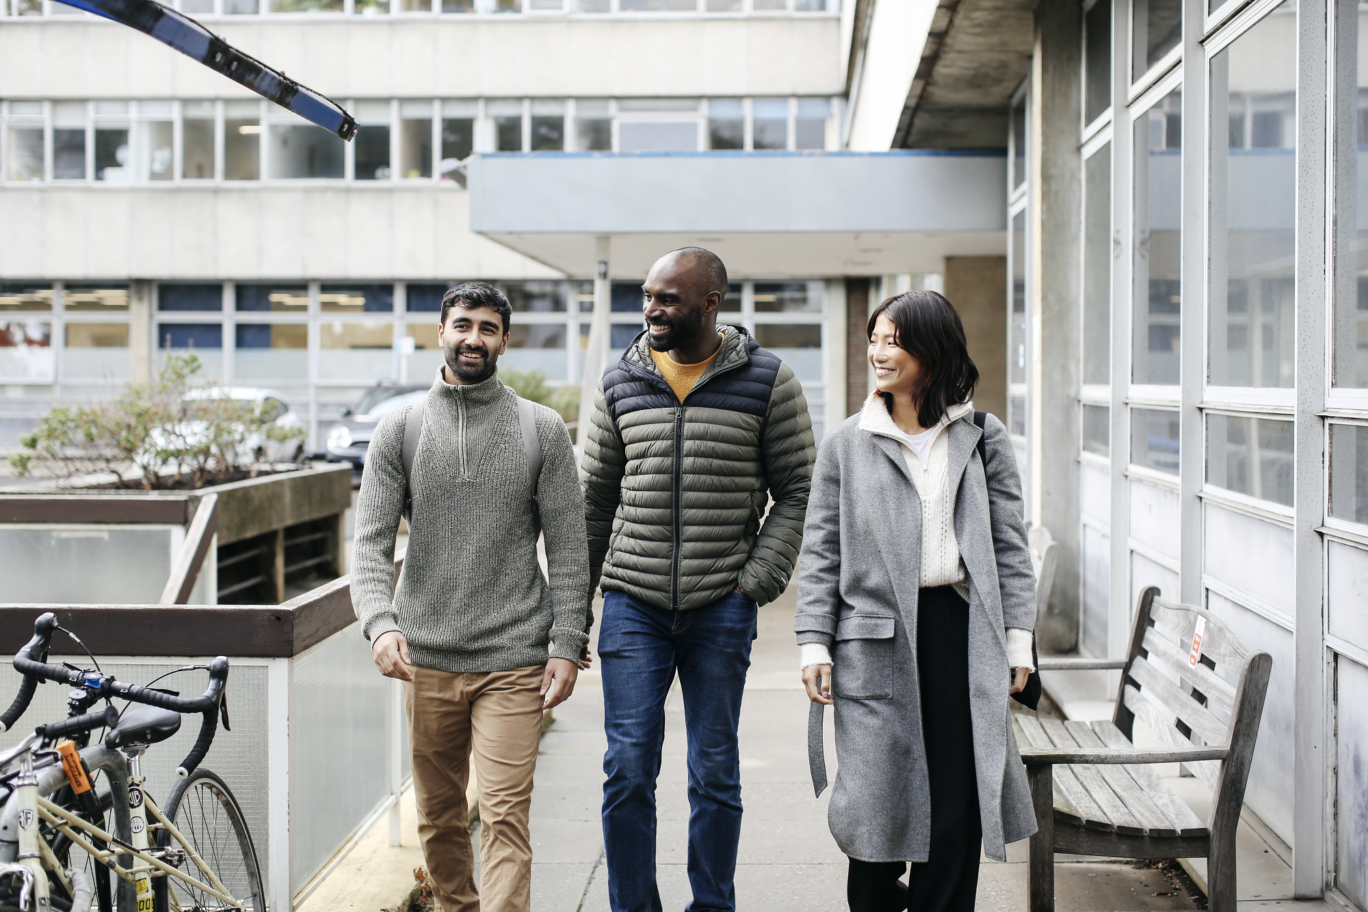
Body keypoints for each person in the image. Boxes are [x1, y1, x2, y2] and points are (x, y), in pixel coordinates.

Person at [581, 247, 816, 912]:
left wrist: (757, 580)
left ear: (710, 303)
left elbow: (799, 487)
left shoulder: (766, 379)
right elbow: (593, 500)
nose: (650, 310)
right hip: (633, 602)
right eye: (647, 296)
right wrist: (572, 615)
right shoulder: (619, 381)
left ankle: (712, 906)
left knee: (713, 771)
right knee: (627, 769)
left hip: (722, 605)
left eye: (666, 299)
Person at [794, 290, 1039, 912]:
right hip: (874, 640)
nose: (878, 352)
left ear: (932, 349)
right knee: (875, 808)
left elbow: (1010, 547)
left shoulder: (982, 436)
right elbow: (821, 552)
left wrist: (1019, 642)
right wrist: (814, 642)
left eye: (893, 339)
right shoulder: (847, 444)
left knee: (955, 807)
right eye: (874, 339)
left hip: (963, 635)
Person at [351, 281, 590, 912]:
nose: (473, 339)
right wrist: (379, 623)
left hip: (515, 657)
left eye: (487, 328)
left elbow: (569, 548)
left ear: (505, 341)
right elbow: (369, 544)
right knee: (438, 816)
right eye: (463, 325)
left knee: (507, 817)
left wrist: (567, 643)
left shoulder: (542, 430)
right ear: (441, 333)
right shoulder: (399, 428)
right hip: (426, 658)